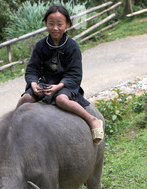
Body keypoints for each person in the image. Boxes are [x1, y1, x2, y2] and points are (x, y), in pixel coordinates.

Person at [16, 4, 104, 145]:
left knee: (61, 100)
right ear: (46, 24)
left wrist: (58, 87)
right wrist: (33, 84)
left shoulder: (72, 46)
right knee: (26, 98)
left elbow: (74, 74)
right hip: (44, 83)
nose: (55, 28)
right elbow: (32, 69)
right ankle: (12, 126)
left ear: (67, 24)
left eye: (59, 24)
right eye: (51, 24)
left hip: (65, 85)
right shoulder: (40, 46)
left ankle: (91, 119)